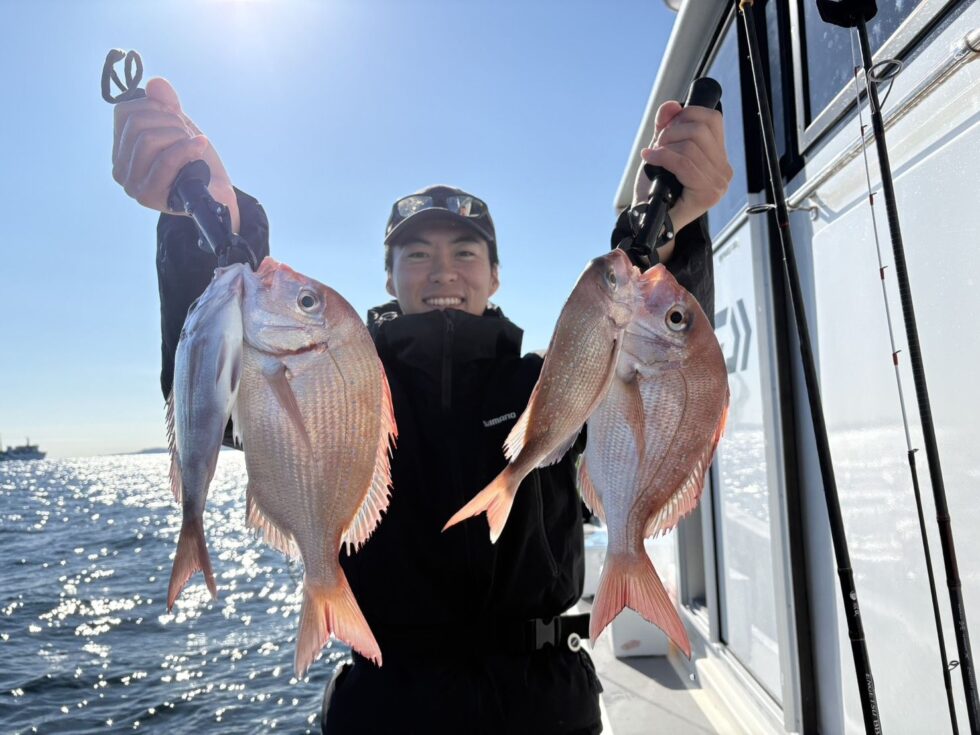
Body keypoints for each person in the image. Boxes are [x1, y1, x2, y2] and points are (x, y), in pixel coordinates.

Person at [111, 77, 732, 735]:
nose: (443, 272)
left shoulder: (545, 380)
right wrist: (203, 222)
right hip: (384, 707)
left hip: (545, 709)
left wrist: (671, 237)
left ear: (495, 275)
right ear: (390, 276)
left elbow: (658, 375)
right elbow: (219, 386)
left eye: (466, 252)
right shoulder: (341, 380)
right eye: (418, 254)